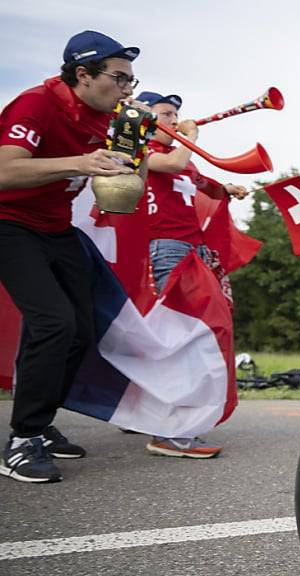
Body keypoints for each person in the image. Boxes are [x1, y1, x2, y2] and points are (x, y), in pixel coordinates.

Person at [0, 31, 142, 483]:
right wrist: (79, 161)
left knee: (82, 330)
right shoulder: (36, 103)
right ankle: (22, 440)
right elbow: (4, 170)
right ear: (83, 73)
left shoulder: (108, 117)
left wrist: (132, 149)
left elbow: (121, 175)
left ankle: (39, 425)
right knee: (53, 322)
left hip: (57, 229)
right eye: (119, 79)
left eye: (131, 82)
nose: (126, 90)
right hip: (10, 224)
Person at [135, 90, 249, 458]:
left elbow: (199, 184)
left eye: (176, 115)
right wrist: (191, 138)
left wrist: (226, 188)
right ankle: (166, 432)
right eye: (166, 114)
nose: (174, 120)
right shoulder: (140, 148)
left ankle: (166, 420)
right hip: (166, 248)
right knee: (179, 336)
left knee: (202, 333)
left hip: (192, 250)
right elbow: (169, 168)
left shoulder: (183, 159)